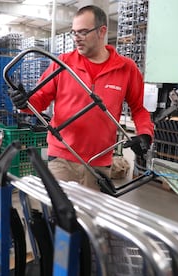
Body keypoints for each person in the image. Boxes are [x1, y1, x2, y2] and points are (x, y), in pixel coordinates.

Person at [10, 5, 154, 191]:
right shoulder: (62, 64)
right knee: (60, 216)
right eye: (74, 32)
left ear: (102, 31)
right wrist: (24, 102)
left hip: (99, 161)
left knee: (90, 219)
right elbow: (40, 100)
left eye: (83, 32)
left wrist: (144, 134)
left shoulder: (126, 68)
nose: (77, 38)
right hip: (62, 158)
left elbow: (139, 108)